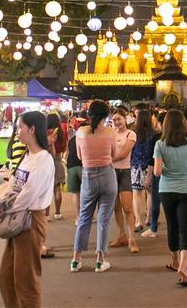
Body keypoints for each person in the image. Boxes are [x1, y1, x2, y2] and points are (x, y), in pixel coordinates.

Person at [0, 111, 56, 308]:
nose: (17, 132)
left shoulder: (43, 159)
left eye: (19, 127)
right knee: (7, 278)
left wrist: (3, 212)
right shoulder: (28, 156)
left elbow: (28, 194)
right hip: (17, 218)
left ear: (32, 129)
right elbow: (13, 185)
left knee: (26, 281)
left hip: (30, 220)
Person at [154, 109, 187, 287]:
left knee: (172, 226)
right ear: (184, 123)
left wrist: (171, 169)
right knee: (186, 229)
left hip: (167, 190)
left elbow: (157, 172)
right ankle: (183, 266)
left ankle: (174, 260)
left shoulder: (160, 144)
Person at [71, 100, 118, 273]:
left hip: (88, 175)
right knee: (103, 220)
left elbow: (78, 155)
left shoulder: (81, 132)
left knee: (84, 218)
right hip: (107, 175)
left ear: (89, 114)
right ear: (106, 115)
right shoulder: (110, 132)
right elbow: (114, 154)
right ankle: (100, 260)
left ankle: (76, 259)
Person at [110, 108, 139, 253]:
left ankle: (132, 238)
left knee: (127, 207)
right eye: (114, 120)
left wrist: (106, 159)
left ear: (125, 119)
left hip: (125, 172)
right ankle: (121, 235)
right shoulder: (109, 133)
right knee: (115, 206)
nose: (116, 122)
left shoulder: (130, 134)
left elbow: (124, 154)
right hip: (111, 172)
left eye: (119, 119)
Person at [131, 107, 155, 233]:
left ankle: (138, 221)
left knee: (137, 194)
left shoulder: (133, 133)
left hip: (136, 166)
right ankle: (149, 219)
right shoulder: (154, 134)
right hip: (150, 166)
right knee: (150, 193)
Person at [142, 111, 166, 238]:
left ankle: (153, 228)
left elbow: (151, 160)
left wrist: (149, 176)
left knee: (156, 200)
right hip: (177, 175)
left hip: (159, 173)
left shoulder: (156, 138)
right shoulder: (183, 138)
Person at [46, 113, 66, 221]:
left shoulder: (46, 132)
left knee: (47, 190)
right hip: (58, 161)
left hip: (47, 162)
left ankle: (47, 215)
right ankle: (58, 213)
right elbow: (63, 148)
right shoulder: (61, 133)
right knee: (57, 189)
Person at [65, 119, 83, 225]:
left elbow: (67, 153)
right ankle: (87, 216)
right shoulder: (87, 138)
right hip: (82, 166)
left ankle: (78, 218)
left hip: (70, 166)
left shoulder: (72, 140)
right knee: (87, 192)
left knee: (75, 193)